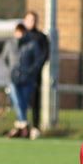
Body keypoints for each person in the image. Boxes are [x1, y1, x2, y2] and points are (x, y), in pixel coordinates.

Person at [1, 22, 46, 139]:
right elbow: (4, 58)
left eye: (22, 31)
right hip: (13, 78)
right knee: (17, 101)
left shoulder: (32, 44)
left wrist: (30, 71)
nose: (19, 34)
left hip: (27, 79)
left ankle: (21, 127)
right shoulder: (10, 43)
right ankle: (25, 124)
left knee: (23, 104)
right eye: (18, 31)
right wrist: (12, 70)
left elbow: (37, 60)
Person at [22, 11, 50, 139]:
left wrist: (34, 69)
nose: (31, 22)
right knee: (21, 100)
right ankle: (22, 126)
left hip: (34, 75)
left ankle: (35, 126)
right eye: (29, 20)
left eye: (34, 20)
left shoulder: (41, 37)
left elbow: (44, 55)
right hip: (21, 75)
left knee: (35, 100)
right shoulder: (21, 36)